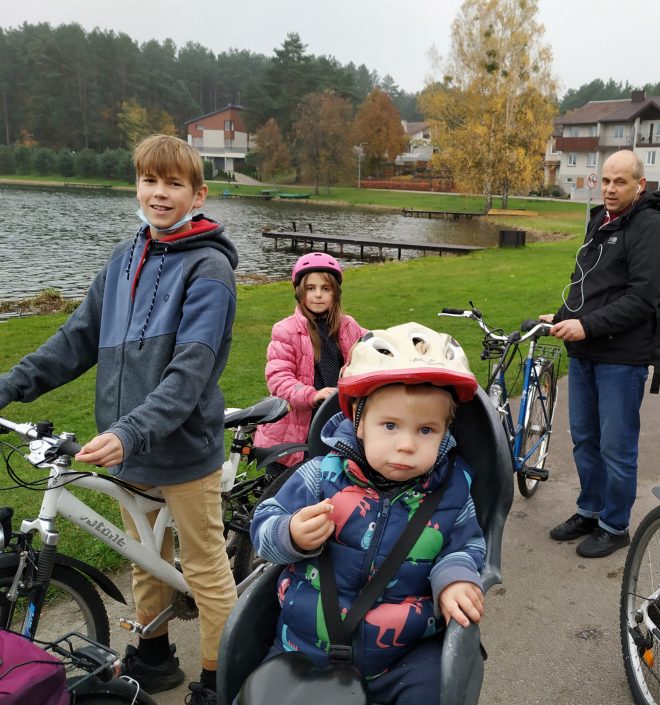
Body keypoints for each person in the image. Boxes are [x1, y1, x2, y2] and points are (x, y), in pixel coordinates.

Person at [0, 134, 239, 705]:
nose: (159, 193)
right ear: (137, 185)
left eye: (174, 183)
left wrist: (128, 431)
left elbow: (189, 374)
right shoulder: (124, 258)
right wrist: (8, 387)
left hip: (180, 450)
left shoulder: (209, 268)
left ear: (197, 194)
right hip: (131, 451)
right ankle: (153, 655)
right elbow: (76, 340)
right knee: (145, 562)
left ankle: (220, 676)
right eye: (149, 180)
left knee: (203, 567)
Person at [250, 323, 486, 704]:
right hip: (303, 646)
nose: (407, 445)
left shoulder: (453, 493)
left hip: (402, 656)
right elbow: (263, 523)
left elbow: (467, 545)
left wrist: (455, 577)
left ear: (446, 432)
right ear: (358, 422)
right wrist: (289, 533)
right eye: (390, 425)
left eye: (427, 430)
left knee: (436, 692)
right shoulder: (319, 477)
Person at [541, 149, 660, 558]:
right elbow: (590, 283)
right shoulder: (600, 219)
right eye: (605, 180)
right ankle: (590, 510)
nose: (610, 188)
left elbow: (642, 297)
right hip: (586, 350)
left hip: (623, 357)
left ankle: (615, 525)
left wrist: (587, 325)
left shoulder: (653, 228)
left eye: (620, 181)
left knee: (616, 446)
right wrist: (566, 315)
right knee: (585, 439)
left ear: (640, 185)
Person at [253, 252, 366, 467]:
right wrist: (312, 395)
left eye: (326, 289)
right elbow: (278, 378)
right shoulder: (286, 330)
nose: (318, 295)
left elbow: (371, 343)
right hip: (296, 425)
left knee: (333, 476)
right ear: (299, 293)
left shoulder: (348, 326)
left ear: (336, 293)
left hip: (335, 415)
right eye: (310, 289)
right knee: (290, 485)